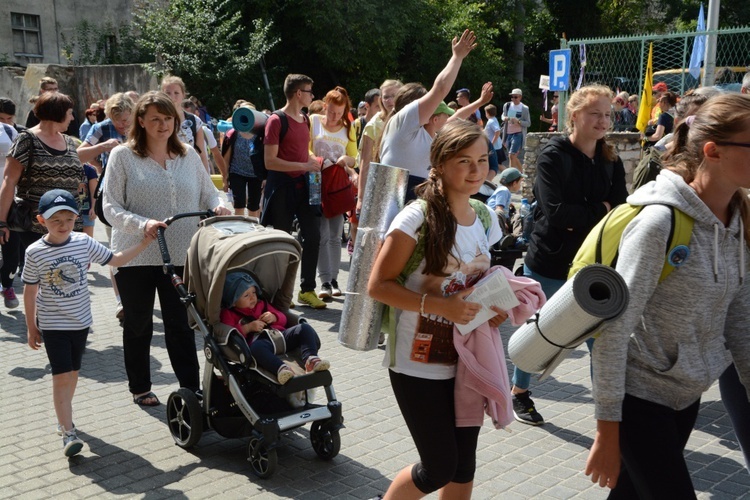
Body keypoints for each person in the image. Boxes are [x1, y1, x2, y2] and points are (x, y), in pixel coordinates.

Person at [585, 92, 750, 497]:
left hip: (685, 394)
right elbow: (613, 329)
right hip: (637, 399)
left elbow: (739, 322)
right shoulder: (659, 222)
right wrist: (607, 431)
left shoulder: (737, 221)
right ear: (713, 151)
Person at [368, 120, 506, 499]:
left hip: (467, 358)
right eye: (465, 161)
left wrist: (492, 309)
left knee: (463, 466)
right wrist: (440, 306)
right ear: (440, 163)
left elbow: (475, 284)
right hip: (417, 361)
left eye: (482, 159)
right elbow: (378, 286)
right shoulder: (416, 218)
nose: (477, 170)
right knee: (439, 466)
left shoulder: (484, 217)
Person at [104, 91, 231, 407]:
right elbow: (109, 206)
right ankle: (141, 387)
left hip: (180, 255)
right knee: (138, 324)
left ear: (177, 121)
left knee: (181, 326)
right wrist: (141, 224)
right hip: (136, 254)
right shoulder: (123, 156)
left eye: (168, 118)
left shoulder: (188, 155)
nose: (163, 125)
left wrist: (221, 206)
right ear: (142, 122)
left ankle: (190, 388)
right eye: (156, 119)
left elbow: (209, 193)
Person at [514, 84, 628, 425]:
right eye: (596, 114)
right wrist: (601, 209)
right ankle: (520, 393)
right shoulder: (553, 156)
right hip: (550, 261)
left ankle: (605, 416)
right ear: (574, 116)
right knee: (539, 335)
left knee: (600, 342)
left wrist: (592, 211)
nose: (603, 121)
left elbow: (621, 209)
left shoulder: (611, 159)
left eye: (608, 115)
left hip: (594, 265)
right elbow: (557, 213)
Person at [23, 189, 154, 456]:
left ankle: (64, 417)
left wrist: (143, 243)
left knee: (72, 374)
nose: (63, 226)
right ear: (41, 220)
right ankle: (68, 432)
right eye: (55, 220)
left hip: (81, 323)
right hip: (53, 325)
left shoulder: (83, 242)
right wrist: (31, 327)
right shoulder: (35, 252)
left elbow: (115, 260)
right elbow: (30, 290)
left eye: (69, 219)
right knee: (61, 377)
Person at [0, 92, 86, 313]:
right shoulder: (27, 139)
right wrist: (1, 222)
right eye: (69, 113)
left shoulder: (68, 141)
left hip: (70, 225)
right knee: (45, 279)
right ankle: (44, 324)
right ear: (57, 113)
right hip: (38, 225)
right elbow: (9, 182)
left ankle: (66, 324)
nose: (72, 118)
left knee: (67, 277)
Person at [379, 30, 478, 201]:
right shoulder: (402, 122)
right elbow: (440, 89)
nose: (433, 105)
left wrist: (481, 101)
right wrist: (457, 57)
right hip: (391, 210)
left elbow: (455, 117)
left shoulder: (423, 133)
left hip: (411, 205)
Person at [261, 74, 327, 309]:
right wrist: (304, 165)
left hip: (305, 186)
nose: (313, 96)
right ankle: (276, 293)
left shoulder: (305, 119)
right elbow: (270, 162)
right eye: (310, 91)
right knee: (280, 240)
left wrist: (314, 160)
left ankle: (307, 289)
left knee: (313, 236)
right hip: (281, 188)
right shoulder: (276, 121)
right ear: (299, 93)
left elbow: (303, 151)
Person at [219, 271, 330, 384]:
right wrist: (248, 328)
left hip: (282, 336)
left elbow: (284, 319)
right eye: (246, 295)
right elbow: (230, 334)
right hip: (261, 342)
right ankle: (281, 369)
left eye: (254, 292)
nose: (252, 297)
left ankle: (310, 359)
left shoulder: (262, 304)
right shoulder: (229, 313)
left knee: (304, 328)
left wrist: (274, 317)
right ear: (233, 301)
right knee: (256, 350)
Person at [310, 86, 358, 299]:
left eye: (339, 113)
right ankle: (324, 281)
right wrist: (319, 161)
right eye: (330, 112)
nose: (333, 117)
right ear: (324, 106)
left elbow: (353, 158)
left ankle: (335, 279)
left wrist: (344, 160)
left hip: (337, 183)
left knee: (335, 235)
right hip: (316, 180)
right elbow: (306, 148)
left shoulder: (348, 128)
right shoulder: (313, 121)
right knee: (321, 234)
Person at [221, 102, 264, 218]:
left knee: (254, 206)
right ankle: (240, 231)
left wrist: (265, 177)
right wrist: (224, 178)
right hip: (237, 172)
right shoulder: (233, 134)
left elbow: (265, 156)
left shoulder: (260, 134)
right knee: (239, 204)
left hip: (255, 174)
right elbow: (226, 158)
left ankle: (253, 232)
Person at [161, 75, 210, 172]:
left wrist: (206, 181)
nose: (172, 97)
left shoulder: (194, 121)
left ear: (183, 95)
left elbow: (202, 154)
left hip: (189, 173)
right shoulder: (157, 121)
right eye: (168, 93)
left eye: (176, 93)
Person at [486, 167, 527, 247]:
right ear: (514, 183)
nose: (520, 185)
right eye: (520, 182)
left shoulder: (502, 190)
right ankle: (502, 238)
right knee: (499, 213)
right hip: (496, 219)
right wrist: (504, 223)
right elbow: (499, 208)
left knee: (517, 216)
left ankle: (517, 238)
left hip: (504, 217)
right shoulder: (504, 190)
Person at [501, 88, 531, 169]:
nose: (513, 99)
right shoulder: (507, 105)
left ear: (520, 97)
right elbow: (503, 115)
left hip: (518, 134)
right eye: (512, 97)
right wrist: (505, 118)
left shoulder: (524, 108)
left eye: (515, 97)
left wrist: (519, 121)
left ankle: (512, 176)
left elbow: (528, 123)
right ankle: (521, 173)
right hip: (508, 133)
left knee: (512, 154)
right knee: (512, 156)